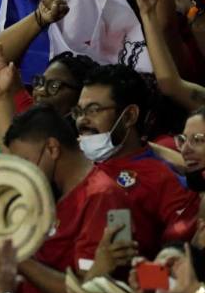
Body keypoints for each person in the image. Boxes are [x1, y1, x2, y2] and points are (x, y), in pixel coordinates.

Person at [0, 104, 129, 293]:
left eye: (26, 161)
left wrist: (18, 259)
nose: (23, 173)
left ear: (52, 148)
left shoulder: (102, 196)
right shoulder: (54, 192)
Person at [74, 63, 199, 260]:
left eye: (94, 110)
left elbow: (175, 268)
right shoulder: (72, 164)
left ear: (129, 116)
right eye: (79, 112)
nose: (82, 121)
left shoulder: (163, 179)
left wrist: (139, 280)